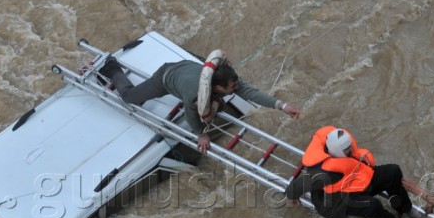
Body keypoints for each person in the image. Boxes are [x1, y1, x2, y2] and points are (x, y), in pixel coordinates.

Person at [99, 54, 301, 153]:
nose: (237, 87)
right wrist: (201, 135)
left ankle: (217, 104)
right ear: (220, 88)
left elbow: (250, 93)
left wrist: (281, 106)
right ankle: (111, 67)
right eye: (232, 87)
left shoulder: (226, 77)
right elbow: (190, 113)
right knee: (131, 97)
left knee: (217, 106)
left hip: (187, 69)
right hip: (166, 78)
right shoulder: (195, 94)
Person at [285, 126, 412, 218]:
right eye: (347, 149)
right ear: (337, 151)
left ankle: (403, 209)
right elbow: (294, 188)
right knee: (373, 205)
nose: (351, 150)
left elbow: (351, 159)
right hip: (340, 199)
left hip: (355, 179)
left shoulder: (340, 146)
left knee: (393, 171)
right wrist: (292, 198)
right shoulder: (324, 174)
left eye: (349, 146)